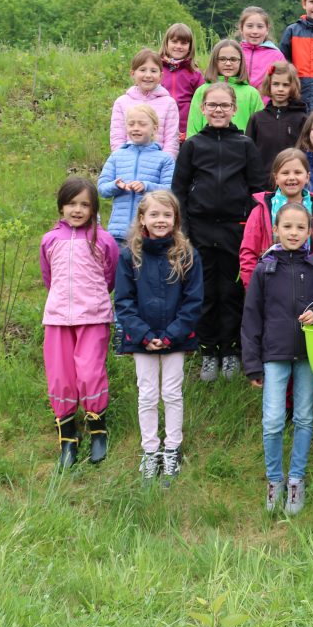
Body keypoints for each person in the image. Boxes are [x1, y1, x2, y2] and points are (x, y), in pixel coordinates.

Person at [171, 82, 267, 382]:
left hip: (234, 231)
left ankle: (230, 350)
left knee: (231, 292)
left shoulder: (245, 145)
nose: (218, 110)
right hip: (198, 229)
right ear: (202, 108)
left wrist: (251, 230)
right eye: (212, 105)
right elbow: (179, 192)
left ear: (234, 109)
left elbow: (258, 191)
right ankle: (208, 351)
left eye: (224, 105)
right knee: (204, 293)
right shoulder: (192, 146)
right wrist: (184, 232)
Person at [242, 202, 313, 515]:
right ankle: (274, 479)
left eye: (300, 228)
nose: (294, 233)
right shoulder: (264, 269)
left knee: (305, 417)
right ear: (276, 230)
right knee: (273, 420)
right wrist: (252, 363)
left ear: (309, 232)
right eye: (288, 227)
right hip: (274, 354)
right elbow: (251, 317)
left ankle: (296, 479)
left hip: (308, 355)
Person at [115, 191, 203, 485]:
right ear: (142, 219)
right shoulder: (130, 255)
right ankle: (150, 450)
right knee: (148, 394)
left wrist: (169, 336)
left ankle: (172, 448)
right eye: (154, 215)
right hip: (142, 340)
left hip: (174, 339)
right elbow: (124, 302)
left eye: (167, 215)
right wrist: (144, 335)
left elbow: (193, 301)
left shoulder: (187, 254)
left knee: (172, 393)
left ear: (175, 219)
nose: (161, 220)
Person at [41, 176, 119, 469]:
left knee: (90, 371)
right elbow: (49, 277)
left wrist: (93, 298)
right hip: (58, 318)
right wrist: (63, 301)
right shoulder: (50, 240)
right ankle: (68, 436)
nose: (77, 210)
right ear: (61, 207)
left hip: (93, 316)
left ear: (94, 209)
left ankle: (98, 428)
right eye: (71, 203)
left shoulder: (104, 240)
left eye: (84, 204)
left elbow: (110, 275)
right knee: (61, 376)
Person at [238, 148, 313, 287]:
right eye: (285, 173)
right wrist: (253, 288)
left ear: (307, 177)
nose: (291, 177)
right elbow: (248, 252)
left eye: (298, 172)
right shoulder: (261, 210)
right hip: (270, 286)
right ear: (276, 177)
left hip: (310, 286)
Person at [99, 104, 176, 246]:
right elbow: (102, 188)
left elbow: (170, 191)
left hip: (149, 232)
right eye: (131, 124)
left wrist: (146, 186)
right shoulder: (117, 156)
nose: (136, 128)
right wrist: (116, 185)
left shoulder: (164, 159)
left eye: (142, 124)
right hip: (119, 231)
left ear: (154, 128)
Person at [185, 40, 264, 137]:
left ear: (241, 62)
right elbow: (193, 128)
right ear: (214, 61)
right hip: (205, 149)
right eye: (222, 59)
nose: (228, 64)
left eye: (233, 59)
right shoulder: (202, 91)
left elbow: (260, 129)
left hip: (240, 149)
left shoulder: (252, 93)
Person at [110, 48, 179, 157]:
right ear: (133, 73)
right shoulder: (121, 102)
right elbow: (117, 138)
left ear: (161, 75)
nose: (148, 75)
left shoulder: (169, 103)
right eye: (142, 70)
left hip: (158, 165)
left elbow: (171, 141)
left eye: (153, 71)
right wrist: (122, 162)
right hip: (127, 164)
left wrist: (165, 164)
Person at [245, 61, 309, 175]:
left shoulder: (302, 119)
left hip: (292, 182)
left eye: (285, 85)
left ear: (293, 86)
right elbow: (248, 153)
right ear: (269, 85)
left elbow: (306, 154)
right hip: (262, 183)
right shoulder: (257, 119)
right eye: (276, 84)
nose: (280, 89)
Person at [159, 22, 203, 140]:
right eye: (174, 41)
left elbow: (202, 101)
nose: (178, 46)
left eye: (184, 43)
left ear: (190, 46)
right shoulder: (156, 69)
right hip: (160, 128)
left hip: (186, 129)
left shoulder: (195, 73)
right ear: (166, 43)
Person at [236, 6, 285, 90]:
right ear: (241, 28)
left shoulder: (276, 55)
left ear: (267, 30)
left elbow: (284, 81)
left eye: (260, 27)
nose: (255, 31)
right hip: (237, 101)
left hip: (265, 102)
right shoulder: (235, 52)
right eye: (250, 26)